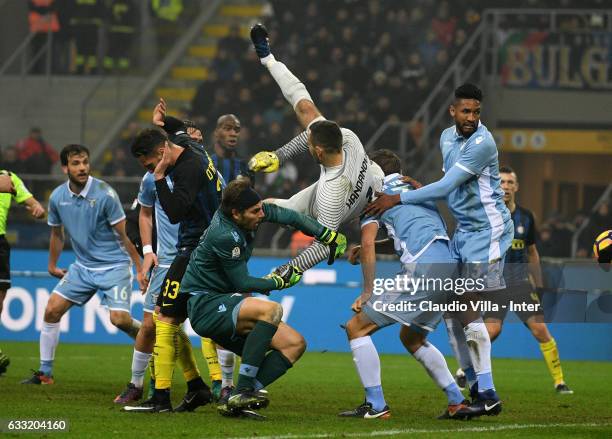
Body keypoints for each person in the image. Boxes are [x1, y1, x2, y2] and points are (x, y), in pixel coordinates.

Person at [365, 84, 513, 415]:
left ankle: (487, 393)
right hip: (463, 232)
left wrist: (398, 197)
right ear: (452, 111)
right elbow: (447, 184)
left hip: (488, 232)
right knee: (453, 309)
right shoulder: (447, 138)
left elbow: (446, 187)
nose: (471, 118)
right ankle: (477, 387)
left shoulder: (482, 143)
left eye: (476, 112)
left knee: (467, 305)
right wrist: (423, 188)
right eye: (465, 112)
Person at [181, 179, 346, 419]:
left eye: (261, 208)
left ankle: (237, 397)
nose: (262, 213)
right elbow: (243, 283)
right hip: (205, 305)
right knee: (271, 310)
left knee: (294, 344)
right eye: (255, 211)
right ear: (236, 214)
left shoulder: (245, 213)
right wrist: (278, 282)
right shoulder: (225, 235)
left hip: (224, 302)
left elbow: (291, 217)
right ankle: (243, 392)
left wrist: (326, 235)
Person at [339, 150, 484, 420]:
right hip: (450, 269)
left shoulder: (375, 195)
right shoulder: (415, 189)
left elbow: (369, 241)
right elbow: (411, 232)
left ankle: (376, 405)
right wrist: (373, 246)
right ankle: (456, 401)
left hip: (424, 270)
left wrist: (368, 290)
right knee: (412, 337)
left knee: (356, 328)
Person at [248, 24, 384, 272]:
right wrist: (279, 156)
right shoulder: (349, 138)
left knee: (260, 210)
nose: (306, 145)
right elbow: (312, 133)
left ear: (319, 152)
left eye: (310, 145)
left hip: (350, 204)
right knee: (306, 109)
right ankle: (268, 58)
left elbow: (323, 246)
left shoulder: (329, 195)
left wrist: (290, 269)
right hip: (371, 179)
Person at [22, 144, 143, 384]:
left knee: (119, 320)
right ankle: (45, 373)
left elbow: (124, 235)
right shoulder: (57, 197)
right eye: (76, 164)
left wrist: (140, 269)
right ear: (65, 167)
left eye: (85, 162)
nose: (82, 168)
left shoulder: (104, 194)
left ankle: (149, 336)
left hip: (114, 266)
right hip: (83, 267)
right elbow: (57, 234)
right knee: (51, 310)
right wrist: (52, 265)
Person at [124, 121, 223, 413]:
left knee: (164, 318)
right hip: (202, 245)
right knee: (168, 317)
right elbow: (179, 129)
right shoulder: (188, 145)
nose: (149, 168)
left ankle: (162, 398)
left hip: (196, 249)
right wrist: (163, 122)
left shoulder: (185, 170)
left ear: (162, 151)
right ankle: (196, 388)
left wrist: (158, 176)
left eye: (150, 163)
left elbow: (176, 212)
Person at [482, 166, 573, 394]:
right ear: (496, 185)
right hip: (495, 285)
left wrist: (539, 284)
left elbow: (532, 252)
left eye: (510, 183)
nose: (506, 187)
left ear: (516, 187)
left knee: (541, 330)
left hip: (520, 284)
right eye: (501, 182)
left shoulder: (527, 217)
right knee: (491, 332)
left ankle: (559, 382)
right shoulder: (487, 215)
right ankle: (466, 371)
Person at [0, 170, 46, 376]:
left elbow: (32, 203)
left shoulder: (8, 176)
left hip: (0, 243)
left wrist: (36, 208)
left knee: (0, 298)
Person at [210, 114, 253, 184]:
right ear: (216, 133)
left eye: (237, 130)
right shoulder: (204, 160)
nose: (233, 134)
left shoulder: (244, 166)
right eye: (227, 129)